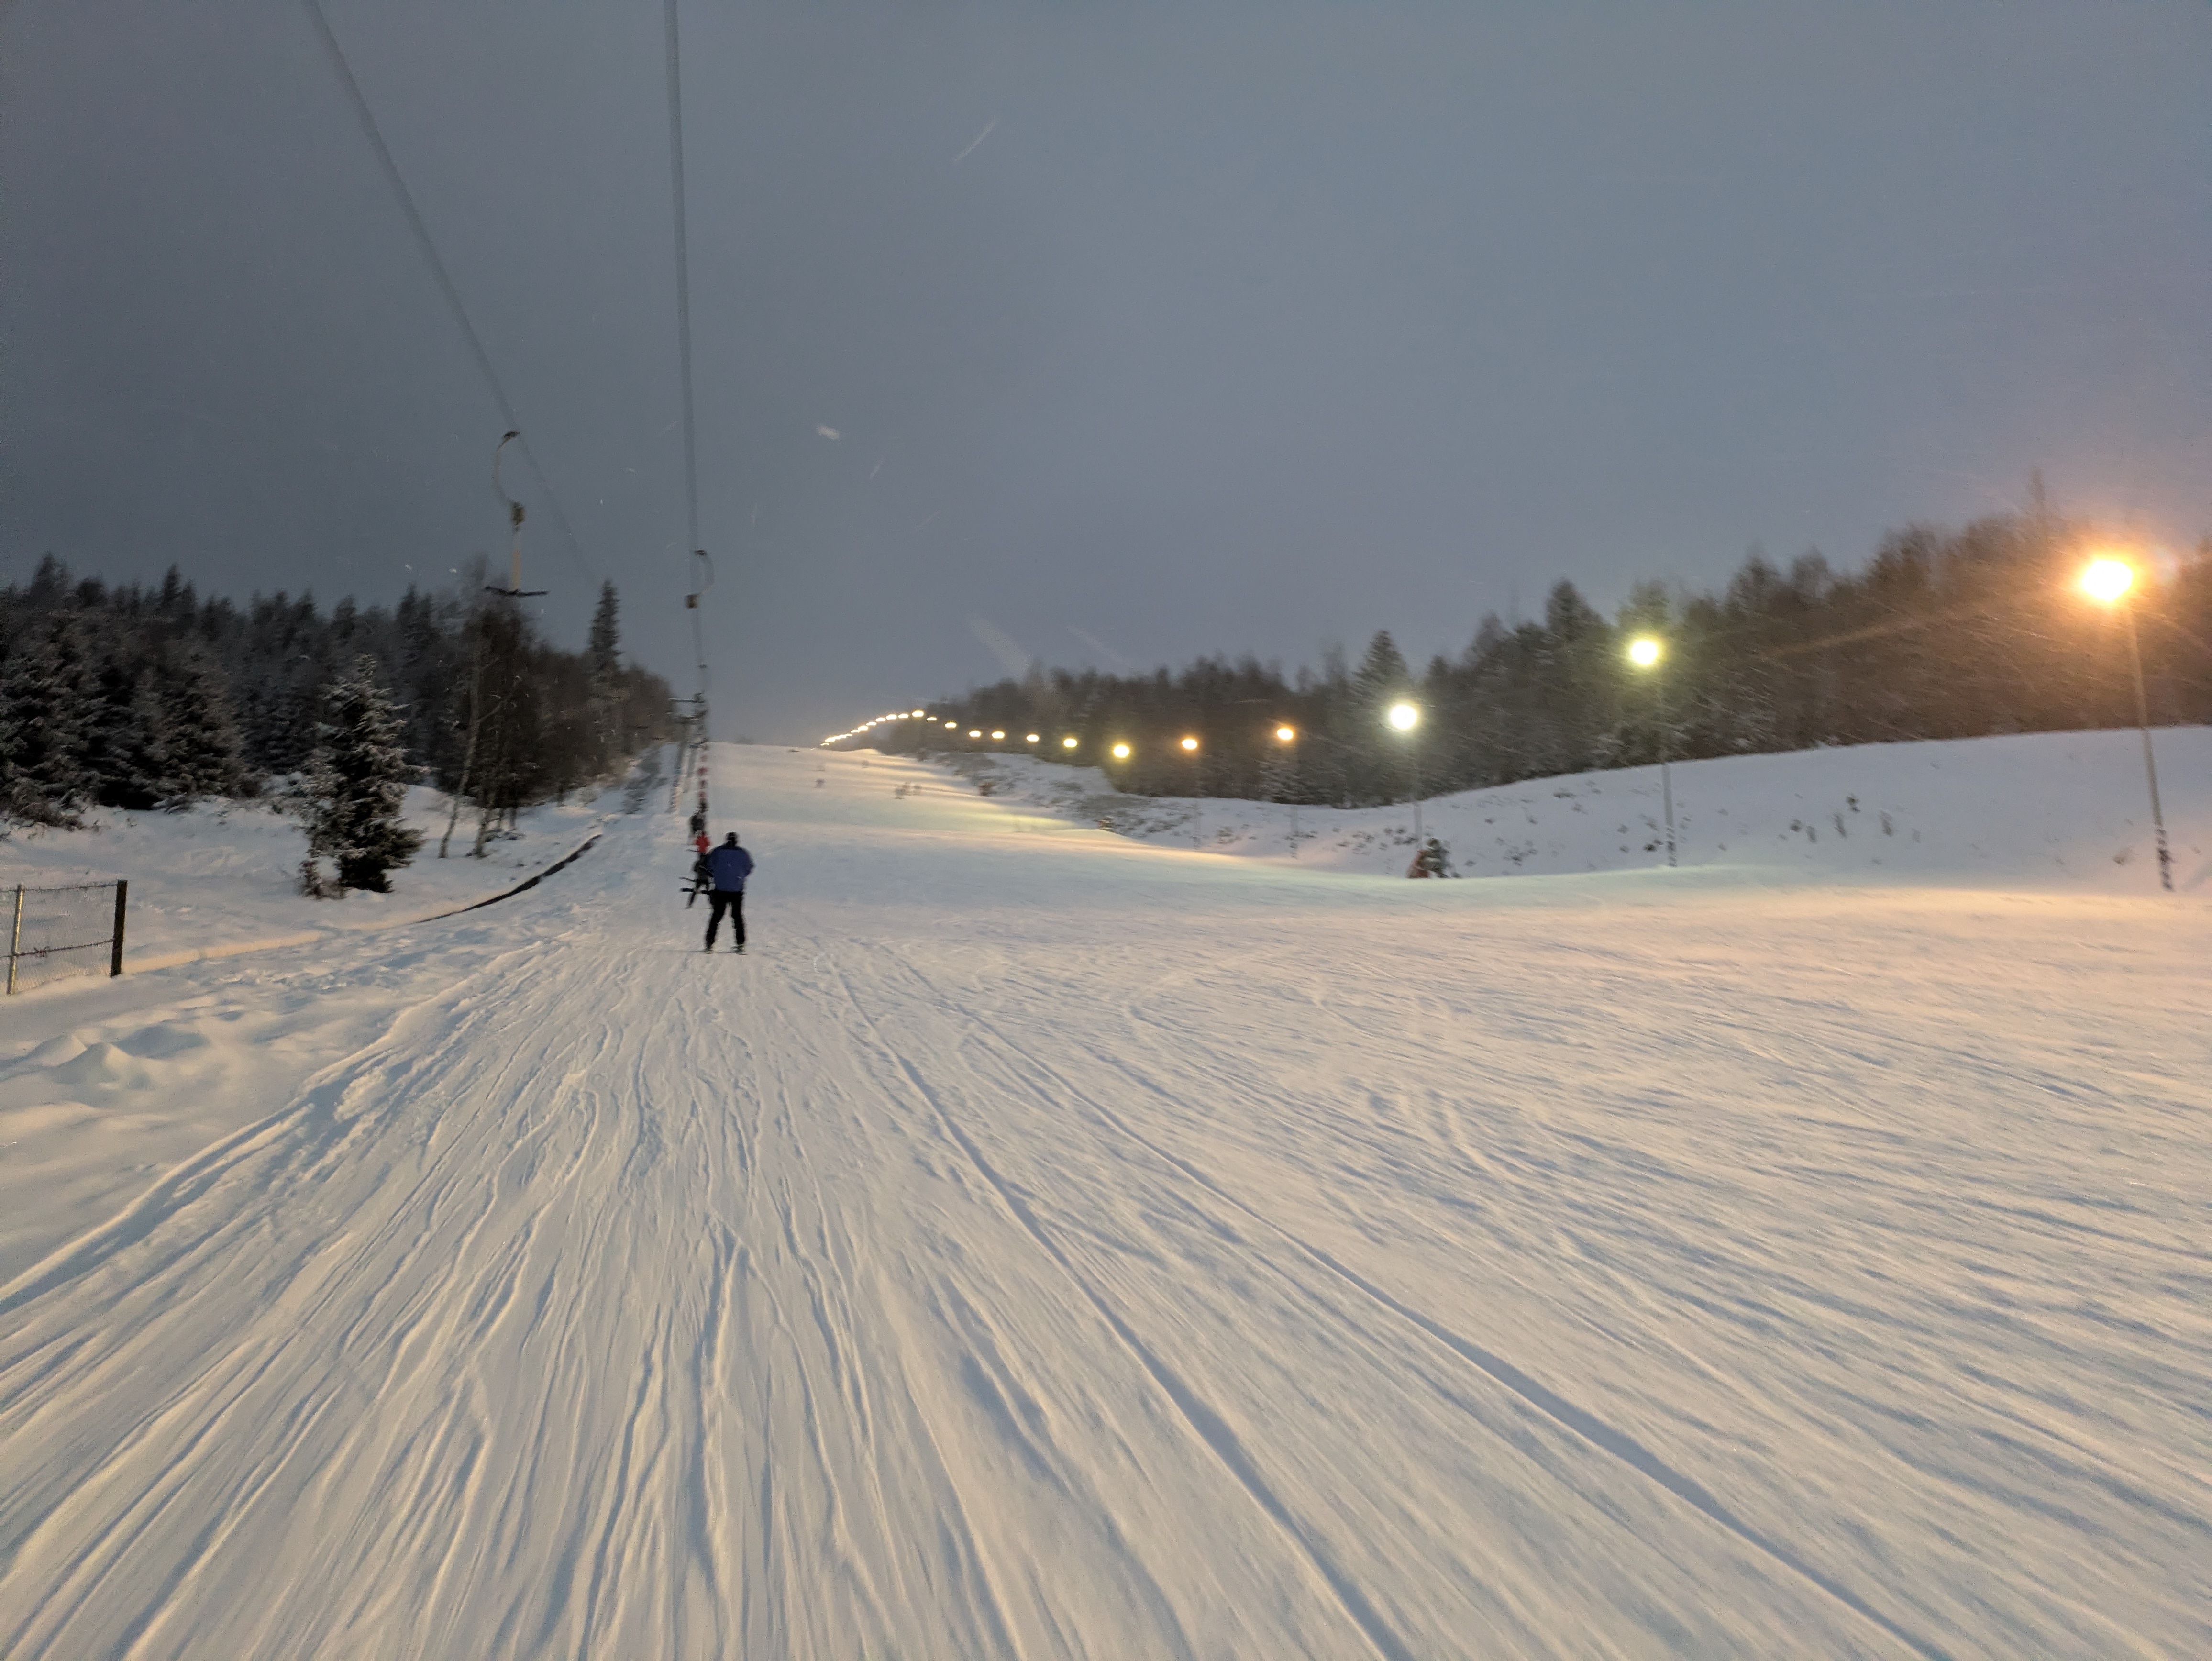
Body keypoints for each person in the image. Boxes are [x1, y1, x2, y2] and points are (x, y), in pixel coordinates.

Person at [702, 831, 755, 952]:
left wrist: (719, 875)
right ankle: (741, 944)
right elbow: (749, 868)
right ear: (736, 841)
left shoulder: (718, 852)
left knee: (716, 916)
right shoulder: (743, 853)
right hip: (737, 890)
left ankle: (709, 943)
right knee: (737, 916)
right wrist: (739, 877)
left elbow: (709, 866)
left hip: (720, 889)